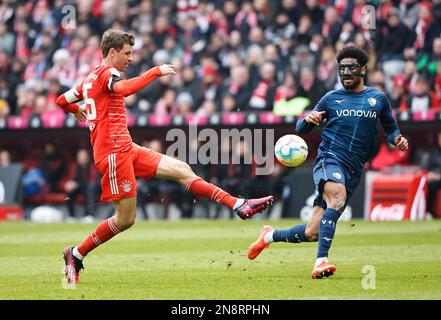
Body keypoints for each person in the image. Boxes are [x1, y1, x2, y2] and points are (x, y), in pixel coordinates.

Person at [55, 29, 273, 284]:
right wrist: (155, 72)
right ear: (112, 52)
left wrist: (74, 109)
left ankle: (238, 204)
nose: (131, 58)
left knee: (182, 169)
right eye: (127, 53)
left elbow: (61, 100)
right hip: (113, 154)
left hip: (126, 147)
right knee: (125, 219)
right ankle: (77, 253)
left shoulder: (88, 80)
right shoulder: (107, 74)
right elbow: (123, 89)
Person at [247, 46, 408, 279]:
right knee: (338, 197)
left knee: (312, 231)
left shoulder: (378, 99)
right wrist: (308, 119)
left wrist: (398, 140)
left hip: (354, 169)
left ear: (363, 69)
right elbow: (300, 129)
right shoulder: (331, 99)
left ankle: (268, 236)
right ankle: (321, 262)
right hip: (330, 160)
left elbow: (391, 129)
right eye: (342, 69)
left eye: (351, 68)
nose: (346, 73)